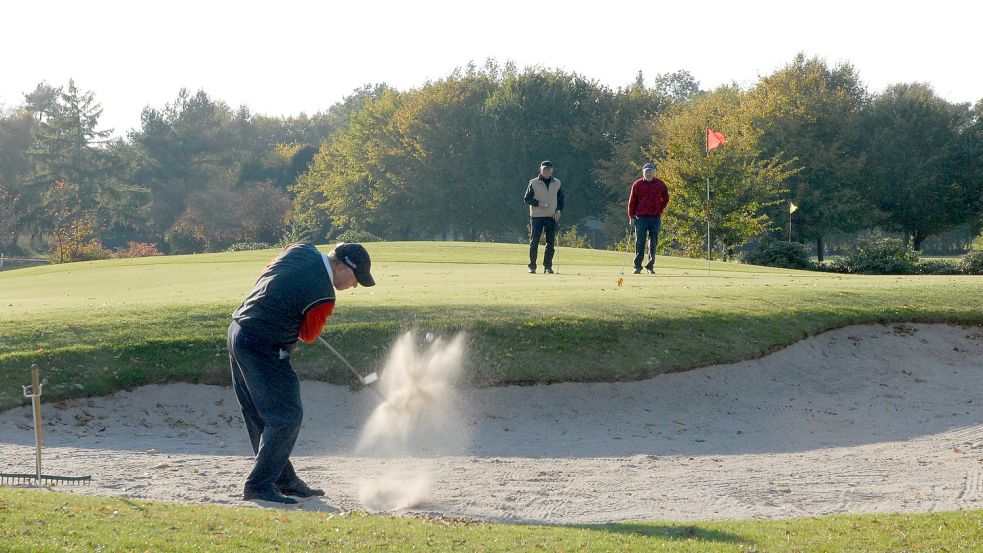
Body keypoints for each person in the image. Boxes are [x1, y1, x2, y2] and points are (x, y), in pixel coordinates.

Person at [227, 242, 375, 504]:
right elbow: (308, 335)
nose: (353, 286)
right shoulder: (324, 295)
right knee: (286, 416)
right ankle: (259, 486)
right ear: (340, 267)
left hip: (238, 332)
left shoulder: (300, 249)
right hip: (263, 346)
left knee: (262, 414)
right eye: (354, 279)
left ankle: (284, 480)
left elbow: (269, 269)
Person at [627, 162, 670, 274]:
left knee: (653, 242)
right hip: (640, 218)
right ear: (643, 172)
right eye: (647, 171)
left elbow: (666, 198)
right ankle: (637, 266)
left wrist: (660, 209)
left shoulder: (660, 184)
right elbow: (632, 202)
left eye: (650, 171)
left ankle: (650, 266)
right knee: (640, 242)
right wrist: (631, 216)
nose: (649, 173)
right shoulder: (637, 184)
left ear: (654, 172)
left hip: (655, 218)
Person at [524, 160, 564, 274]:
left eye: (548, 169)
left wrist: (558, 211)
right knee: (534, 242)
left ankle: (548, 266)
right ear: (540, 170)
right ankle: (532, 266)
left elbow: (561, 199)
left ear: (552, 170)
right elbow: (527, 199)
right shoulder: (533, 182)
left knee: (550, 243)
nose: (546, 171)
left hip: (551, 217)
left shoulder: (557, 183)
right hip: (537, 217)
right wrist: (538, 204)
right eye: (544, 169)